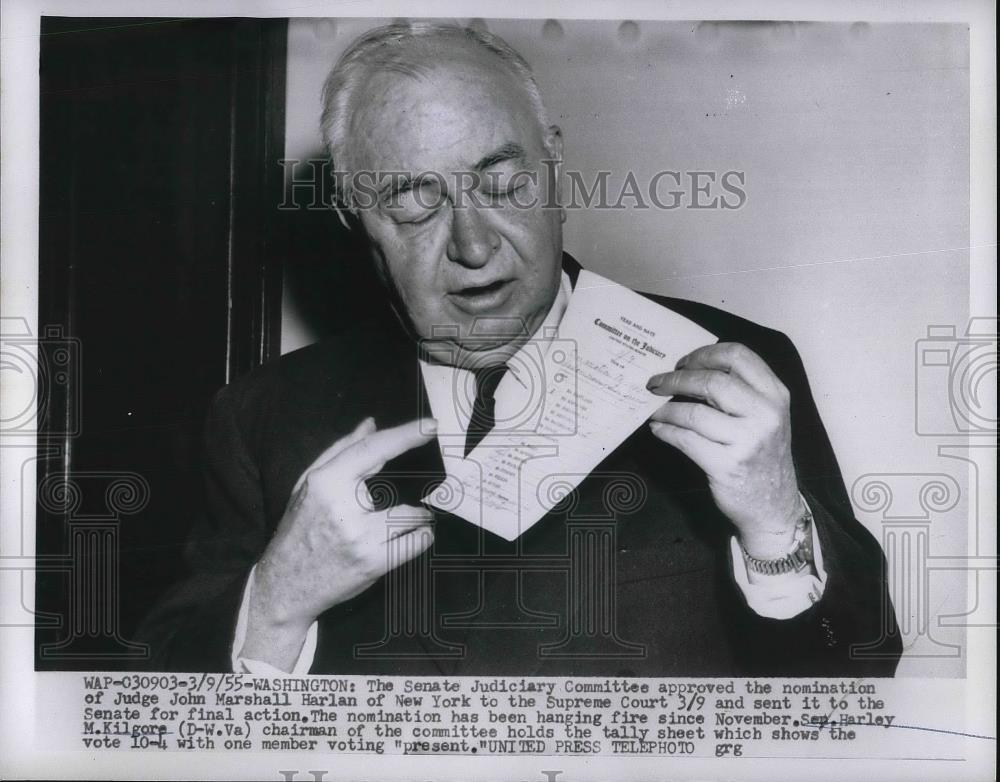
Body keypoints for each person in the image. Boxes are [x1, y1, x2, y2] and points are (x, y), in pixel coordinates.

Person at [138, 22, 901, 676]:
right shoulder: (264, 417)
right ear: (351, 216)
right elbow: (158, 715)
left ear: (554, 168)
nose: (474, 246)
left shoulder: (729, 367)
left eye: (503, 185)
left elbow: (865, 668)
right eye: (414, 199)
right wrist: (274, 601)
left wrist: (774, 533)